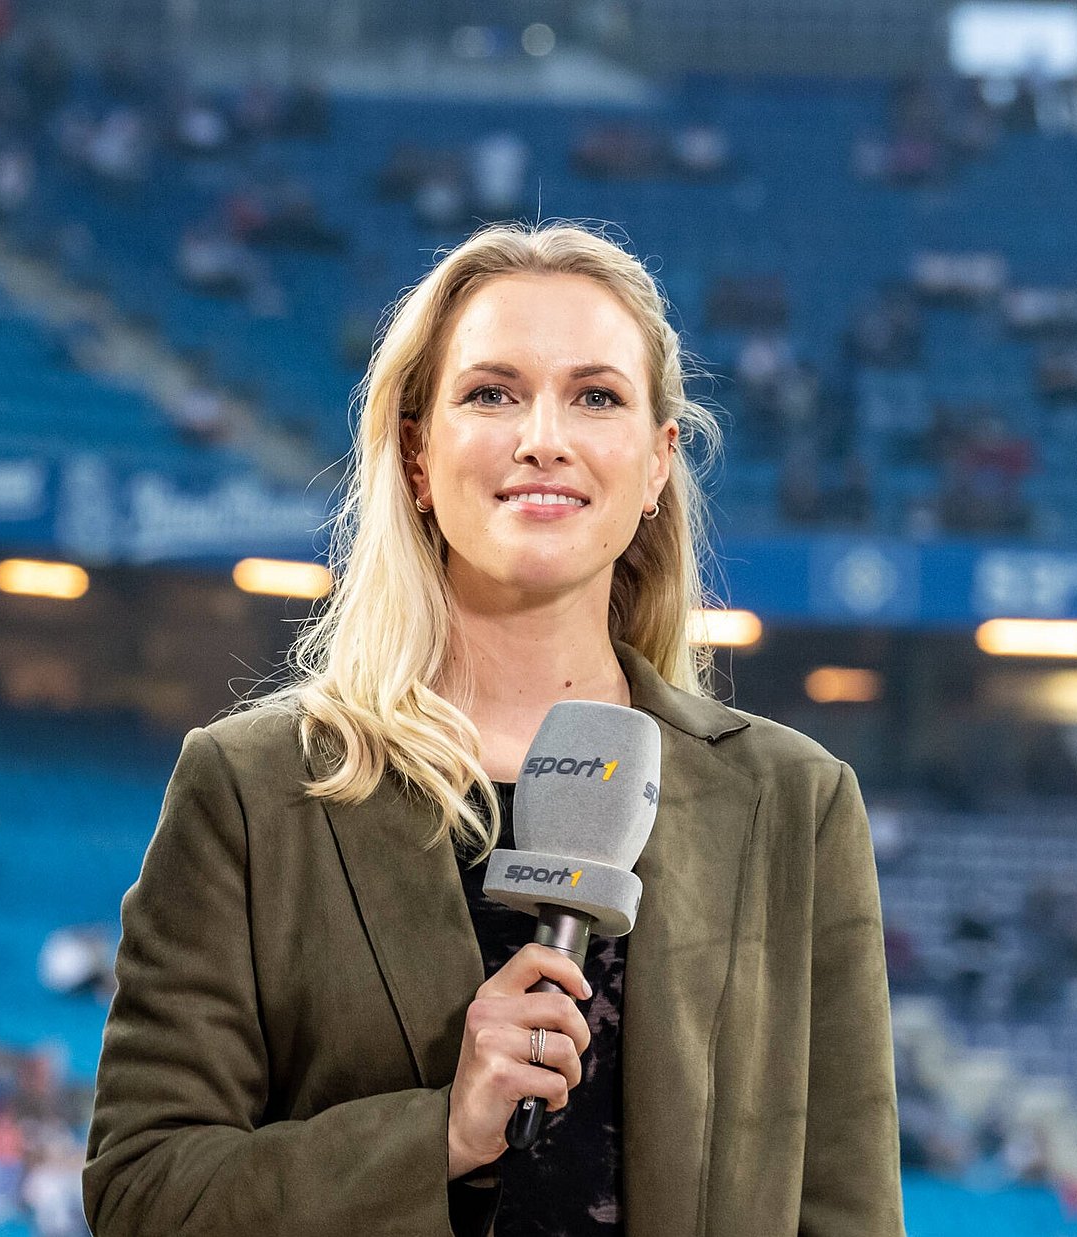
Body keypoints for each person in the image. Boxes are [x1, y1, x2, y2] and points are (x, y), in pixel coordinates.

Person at [83, 223, 901, 1236]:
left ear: (655, 463)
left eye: (595, 396)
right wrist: (440, 1132)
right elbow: (144, 1193)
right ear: (417, 454)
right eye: (491, 392)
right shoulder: (251, 791)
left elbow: (848, 1213)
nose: (542, 437)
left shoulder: (795, 805)